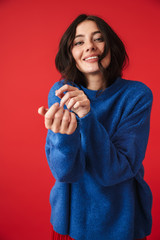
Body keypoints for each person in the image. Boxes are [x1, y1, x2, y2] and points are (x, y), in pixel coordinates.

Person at [38, 14, 153, 240]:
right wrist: (62, 137)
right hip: (72, 218)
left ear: (111, 46)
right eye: (79, 42)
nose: (90, 46)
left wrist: (87, 116)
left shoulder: (137, 95)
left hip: (123, 218)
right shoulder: (62, 91)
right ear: (70, 53)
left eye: (98, 39)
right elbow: (64, 172)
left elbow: (115, 171)